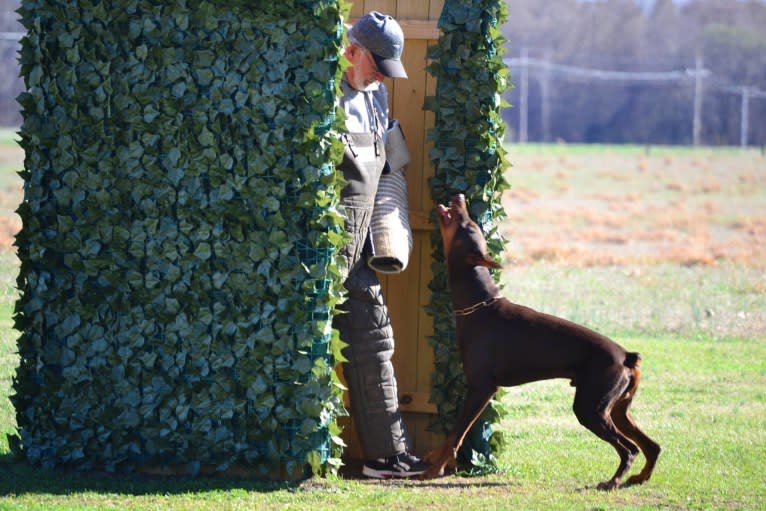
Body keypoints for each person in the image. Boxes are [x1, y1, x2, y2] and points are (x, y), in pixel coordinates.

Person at [332, 11, 430, 479]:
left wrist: (388, 236)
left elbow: (393, 165)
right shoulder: (322, 94)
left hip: (358, 255)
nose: (378, 76)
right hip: (319, 257)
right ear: (352, 51)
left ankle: (386, 457)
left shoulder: (378, 96)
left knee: (376, 344)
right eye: (376, 65)